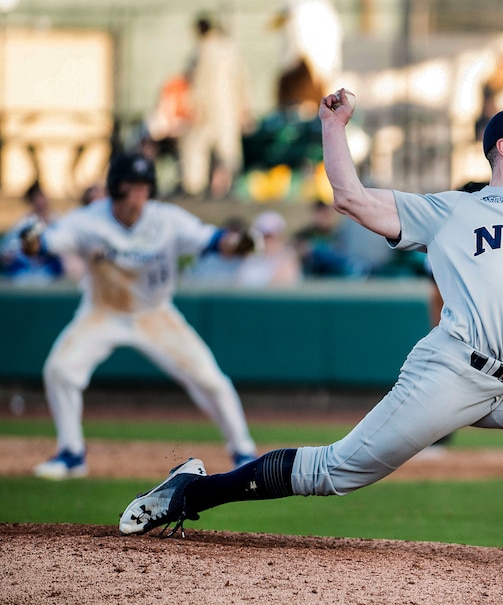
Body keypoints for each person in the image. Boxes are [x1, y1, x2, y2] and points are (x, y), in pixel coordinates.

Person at [118, 98, 503, 588]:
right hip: (452, 371)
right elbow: (351, 198)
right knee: (337, 470)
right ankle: (189, 492)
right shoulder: (453, 210)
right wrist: (332, 128)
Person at [23, 152, 260, 479]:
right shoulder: (89, 220)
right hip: (102, 312)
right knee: (60, 370)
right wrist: (31, 240)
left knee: (211, 379)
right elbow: (44, 243)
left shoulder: (166, 219)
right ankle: (72, 454)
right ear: (116, 187)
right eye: (132, 185)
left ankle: (244, 452)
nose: (139, 192)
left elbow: (215, 240)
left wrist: (239, 243)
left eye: (144, 185)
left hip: (154, 313)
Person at [179, 15, 252, 199]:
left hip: (206, 109)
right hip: (229, 108)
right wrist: (244, 108)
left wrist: (193, 107)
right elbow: (243, 80)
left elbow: (196, 83)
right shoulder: (231, 49)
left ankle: (195, 189)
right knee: (227, 150)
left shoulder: (201, 50)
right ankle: (224, 188)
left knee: (196, 148)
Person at [0, 181, 67, 285]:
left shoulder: (56, 219)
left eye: (43, 196)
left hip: (51, 269)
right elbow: (6, 251)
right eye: (37, 198)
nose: (42, 201)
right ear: (31, 202)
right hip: (26, 270)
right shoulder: (24, 223)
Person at [235, 210, 302, 288]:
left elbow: (281, 288)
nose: (267, 241)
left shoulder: (288, 258)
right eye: (264, 236)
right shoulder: (248, 259)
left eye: (271, 236)